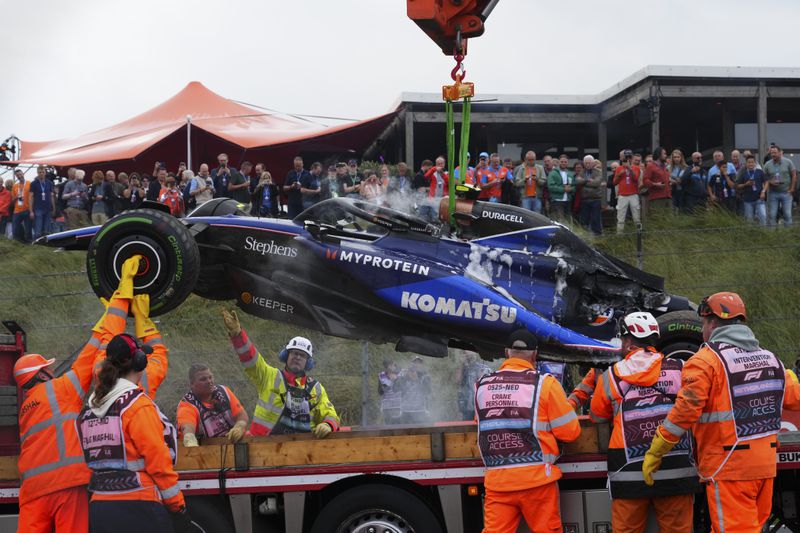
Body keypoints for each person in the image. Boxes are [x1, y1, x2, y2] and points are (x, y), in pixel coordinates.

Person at [643, 292, 800, 533]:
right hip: (765, 467)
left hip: (729, 468)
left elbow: (685, 411)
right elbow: (794, 397)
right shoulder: (771, 359)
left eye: (704, 323)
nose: (704, 329)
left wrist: (657, 449)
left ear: (712, 323)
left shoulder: (705, 361)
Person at [14, 256, 138, 532]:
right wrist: (120, 299)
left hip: (32, 492)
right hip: (67, 484)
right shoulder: (59, 389)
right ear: (43, 375)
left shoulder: (26, 409)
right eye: (48, 368)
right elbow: (98, 351)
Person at [590, 312, 699, 533]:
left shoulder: (611, 376)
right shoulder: (681, 367)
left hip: (627, 471)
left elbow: (597, 416)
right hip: (675, 467)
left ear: (628, 341)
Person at [77, 331, 194, 533]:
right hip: (139, 506)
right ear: (139, 361)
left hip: (99, 507)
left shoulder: (89, 410)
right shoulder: (137, 406)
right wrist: (178, 506)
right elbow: (158, 461)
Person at [475, 330, 580, 532]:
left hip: (498, 483)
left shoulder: (482, 385)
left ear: (507, 352)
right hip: (537, 482)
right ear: (535, 354)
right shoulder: (545, 384)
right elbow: (570, 432)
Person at [222, 309, 340, 437]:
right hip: (263, 445)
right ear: (286, 355)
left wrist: (328, 424)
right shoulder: (269, 376)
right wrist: (237, 334)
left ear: (308, 362)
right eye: (294, 353)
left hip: (304, 449)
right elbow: (251, 359)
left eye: (302, 355)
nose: (298, 357)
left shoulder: (316, 389)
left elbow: (330, 414)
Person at [92, 292, 169, 401]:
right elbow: (158, 351)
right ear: (140, 361)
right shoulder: (148, 376)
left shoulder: (100, 372)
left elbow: (107, 338)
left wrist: (112, 312)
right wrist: (142, 319)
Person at [177, 363, 249, 447]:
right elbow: (188, 430)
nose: (209, 381)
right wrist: (190, 441)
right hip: (205, 451)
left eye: (210, 377)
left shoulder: (223, 391)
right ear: (191, 384)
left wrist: (240, 426)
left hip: (233, 444)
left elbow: (241, 415)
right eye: (203, 379)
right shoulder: (187, 404)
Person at [763, 144, 797, 226]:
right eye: (772, 153)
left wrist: (792, 188)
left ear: (779, 153)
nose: (773, 155)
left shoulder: (788, 162)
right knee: (772, 215)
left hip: (786, 192)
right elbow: (764, 178)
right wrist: (770, 182)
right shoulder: (767, 164)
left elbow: (794, 175)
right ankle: (772, 235)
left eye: (775, 153)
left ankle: (788, 234)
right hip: (773, 193)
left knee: (787, 215)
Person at [455, 351, 490, 421]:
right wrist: (462, 365)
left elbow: (486, 384)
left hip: (479, 405)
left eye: (471, 354)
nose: (468, 357)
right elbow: (457, 382)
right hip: (466, 406)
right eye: (465, 354)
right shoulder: (463, 368)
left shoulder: (482, 367)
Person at [613, 149, 642, 232]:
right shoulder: (619, 168)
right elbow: (614, 182)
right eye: (626, 157)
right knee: (620, 218)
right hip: (622, 195)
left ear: (632, 158)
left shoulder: (636, 168)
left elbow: (636, 179)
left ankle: (638, 235)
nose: (628, 159)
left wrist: (630, 168)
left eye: (629, 157)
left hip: (633, 194)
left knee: (636, 217)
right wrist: (619, 175)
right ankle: (619, 235)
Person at [397, 356, 431, 423]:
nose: (417, 365)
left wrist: (417, 380)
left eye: (419, 363)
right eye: (415, 362)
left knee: (420, 432)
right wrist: (405, 377)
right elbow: (396, 388)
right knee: (406, 432)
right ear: (411, 363)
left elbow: (428, 391)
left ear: (422, 365)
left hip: (419, 411)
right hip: (405, 410)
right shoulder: (404, 373)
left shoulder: (425, 376)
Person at [575, 155, 604, 235]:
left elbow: (596, 183)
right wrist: (588, 180)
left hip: (595, 199)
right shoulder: (581, 172)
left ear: (593, 163)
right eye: (586, 163)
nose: (587, 164)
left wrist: (584, 182)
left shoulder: (598, 172)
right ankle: (586, 236)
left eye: (589, 163)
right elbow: (577, 181)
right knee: (584, 220)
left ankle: (598, 236)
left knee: (596, 219)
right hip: (584, 200)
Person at [735, 154, 767, 225]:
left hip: (759, 198)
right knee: (749, 220)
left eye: (752, 162)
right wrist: (746, 184)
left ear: (755, 163)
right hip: (747, 200)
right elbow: (737, 186)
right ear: (746, 164)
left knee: (763, 216)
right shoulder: (744, 173)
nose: (750, 164)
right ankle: (752, 235)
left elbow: (766, 182)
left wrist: (763, 191)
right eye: (749, 162)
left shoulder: (760, 171)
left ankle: (764, 233)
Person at [28, 165, 55, 240]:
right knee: (38, 229)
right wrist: (31, 211)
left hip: (48, 208)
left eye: (43, 172)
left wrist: (54, 208)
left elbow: (51, 196)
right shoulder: (33, 183)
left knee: (47, 230)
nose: (41, 174)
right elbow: (30, 197)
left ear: (45, 172)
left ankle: (46, 246)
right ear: (37, 173)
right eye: (40, 172)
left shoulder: (49, 183)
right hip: (38, 208)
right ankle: (36, 245)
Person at [642, 147, 672, 213]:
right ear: (659, 155)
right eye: (664, 154)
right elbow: (645, 181)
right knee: (658, 220)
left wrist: (669, 182)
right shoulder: (650, 166)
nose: (666, 156)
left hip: (668, 197)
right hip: (657, 199)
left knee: (669, 221)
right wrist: (655, 184)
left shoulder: (664, 167)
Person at [547, 154, 575, 222]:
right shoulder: (553, 173)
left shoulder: (570, 174)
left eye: (565, 162)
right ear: (559, 162)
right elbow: (551, 187)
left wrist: (570, 189)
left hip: (568, 200)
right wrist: (563, 189)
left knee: (568, 220)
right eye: (562, 161)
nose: (563, 163)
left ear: (567, 163)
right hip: (557, 200)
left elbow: (574, 186)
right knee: (559, 221)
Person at [377, 360, 403, 424]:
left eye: (394, 365)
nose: (393, 367)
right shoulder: (381, 375)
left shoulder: (401, 373)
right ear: (386, 367)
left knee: (399, 426)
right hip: (387, 407)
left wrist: (396, 379)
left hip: (399, 406)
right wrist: (386, 385)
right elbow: (380, 392)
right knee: (388, 427)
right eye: (390, 365)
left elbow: (401, 388)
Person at [11, 169, 32, 242]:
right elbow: (12, 200)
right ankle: (16, 243)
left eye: (20, 174)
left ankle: (29, 243)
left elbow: (33, 196)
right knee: (15, 229)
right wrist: (16, 197)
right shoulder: (15, 186)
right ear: (16, 177)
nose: (19, 176)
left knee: (28, 229)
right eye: (18, 175)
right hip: (17, 211)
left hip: (27, 209)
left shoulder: (29, 183)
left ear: (23, 174)